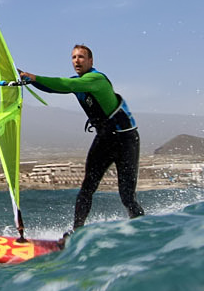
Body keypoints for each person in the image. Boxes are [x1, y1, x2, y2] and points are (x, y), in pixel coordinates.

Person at [19, 44, 144, 233]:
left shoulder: (96, 79)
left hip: (125, 141)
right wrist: (26, 79)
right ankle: (77, 232)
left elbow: (66, 84)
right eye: (74, 57)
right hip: (104, 140)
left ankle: (142, 228)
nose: (77, 61)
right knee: (87, 188)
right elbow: (54, 88)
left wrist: (33, 77)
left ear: (91, 61)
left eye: (81, 57)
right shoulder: (78, 83)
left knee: (127, 196)